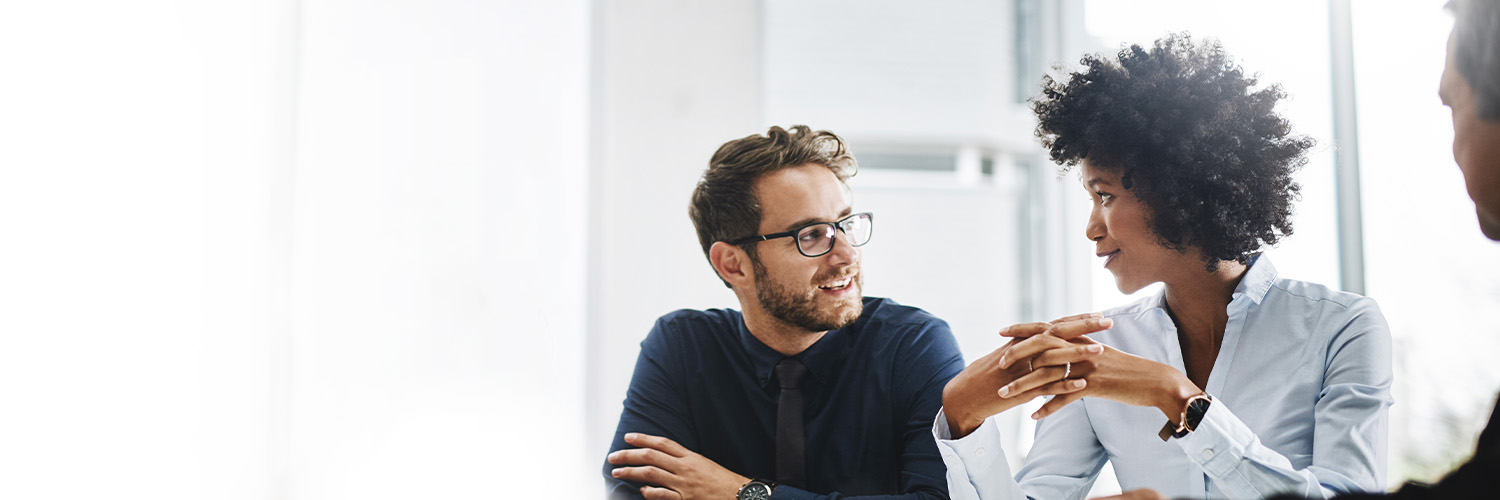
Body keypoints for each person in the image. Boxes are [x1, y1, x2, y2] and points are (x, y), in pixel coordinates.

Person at [933, 34, 1393, 499]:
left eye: (1105, 196)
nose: (1092, 227)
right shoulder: (1099, 354)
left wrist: (1177, 396)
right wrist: (963, 417)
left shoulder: (1342, 327)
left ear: (1178, 192)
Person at [603, 125, 965, 500]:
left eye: (845, 224)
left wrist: (741, 493)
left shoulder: (914, 345)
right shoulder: (681, 346)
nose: (848, 255)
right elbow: (633, 490)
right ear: (733, 265)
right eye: (810, 235)